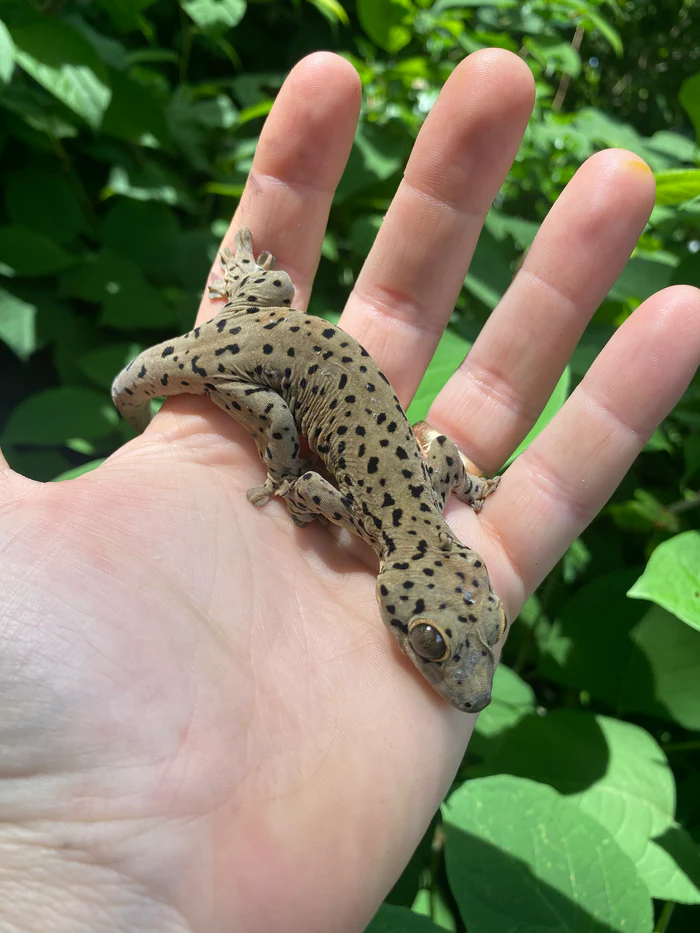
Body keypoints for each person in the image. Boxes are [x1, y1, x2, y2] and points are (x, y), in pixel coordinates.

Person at [0, 49, 698, 932]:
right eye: (445, 639)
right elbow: (363, 470)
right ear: (443, 579)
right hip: (244, 367)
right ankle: (245, 331)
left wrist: (437, 481)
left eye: (460, 639)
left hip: (268, 323)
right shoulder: (371, 517)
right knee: (277, 423)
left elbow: (440, 454)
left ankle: (249, 292)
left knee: (270, 333)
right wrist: (287, 480)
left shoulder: (415, 502)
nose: (469, 677)